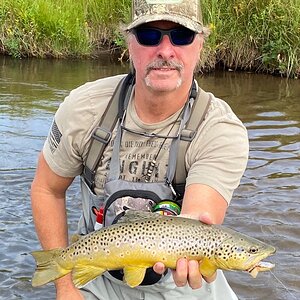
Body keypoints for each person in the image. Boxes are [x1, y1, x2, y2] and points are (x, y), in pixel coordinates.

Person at [31, 0, 249, 299]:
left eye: (182, 36)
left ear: (200, 44)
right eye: (149, 36)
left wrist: (196, 245)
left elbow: (199, 218)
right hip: (97, 273)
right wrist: (64, 286)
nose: (165, 51)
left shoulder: (221, 129)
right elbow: (47, 189)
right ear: (129, 43)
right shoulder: (84, 109)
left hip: (181, 282)